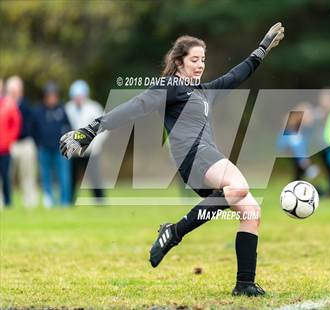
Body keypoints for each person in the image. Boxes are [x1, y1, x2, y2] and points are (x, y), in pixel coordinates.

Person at [59, 22, 285, 296]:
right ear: (178, 61)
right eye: (194, 59)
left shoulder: (205, 92)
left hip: (205, 161)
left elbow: (235, 75)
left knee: (251, 212)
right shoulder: (171, 86)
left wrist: (261, 50)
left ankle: (245, 283)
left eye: (203, 59)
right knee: (239, 187)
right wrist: (93, 128)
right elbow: (137, 106)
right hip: (195, 156)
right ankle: (174, 232)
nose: (200, 65)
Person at [65, 80, 105, 204]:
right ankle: (69, 201)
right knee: (72, 178)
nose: (78, 98)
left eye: (80, 95)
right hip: (74, 151)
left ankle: (99, 201)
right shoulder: (68, 108)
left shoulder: (94, 107)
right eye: (76, 96)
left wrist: (96, 144)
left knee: (95, 177)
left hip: (91, 150)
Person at [33, 82, 72, 207]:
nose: (52, 98)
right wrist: (38, 144)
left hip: (60, 149)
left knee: (64, 176)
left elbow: (69, 127)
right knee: (45, 176)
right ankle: (48, 200)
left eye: (54, 95)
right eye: (49, 95)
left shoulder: (61, 109)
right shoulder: (38, 110)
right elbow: (33, 129)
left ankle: (64, 201)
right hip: (43, 149)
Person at [6, 76, 39, 208]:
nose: (14, 92)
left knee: (28, 175)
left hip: (25, 143)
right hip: (9, 145)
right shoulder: (4, 106)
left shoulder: (26, 106)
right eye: (11, 89)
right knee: (6, 175)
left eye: (16, 89)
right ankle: (5, 202)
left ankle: (30, 202)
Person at [0, 88, 22, 207]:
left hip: (4, 149)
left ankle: (8, 202)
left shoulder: (9, 105)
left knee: (5, 176)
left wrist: (9, 140)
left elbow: (15, 124)